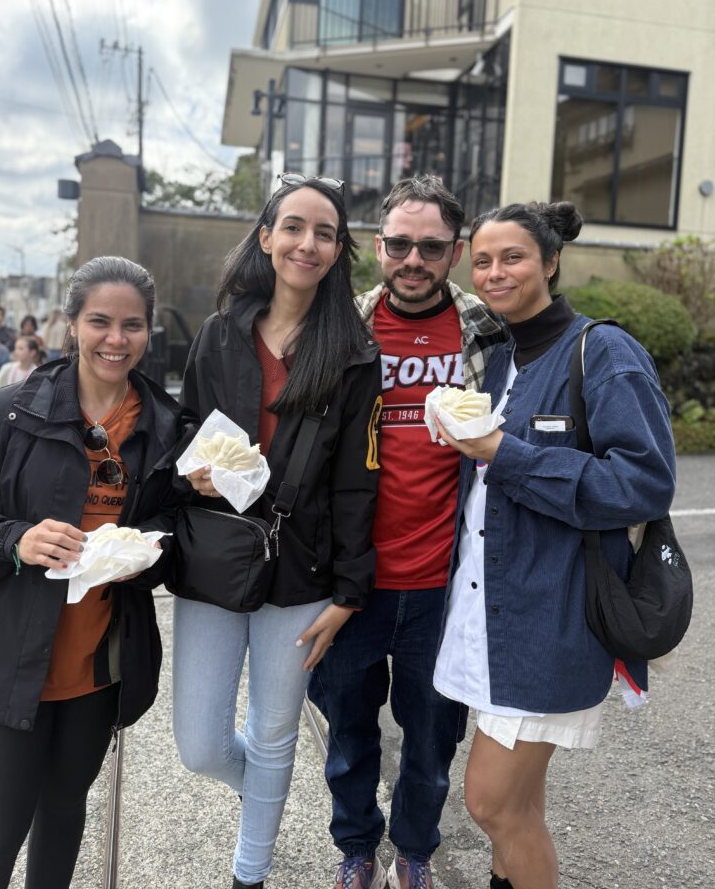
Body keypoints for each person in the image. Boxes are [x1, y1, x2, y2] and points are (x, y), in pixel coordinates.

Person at [432, 202, 676, 889]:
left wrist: (502, 454)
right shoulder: (503, 360)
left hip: (554, 621)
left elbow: (644, 484)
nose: (495, 271)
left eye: (512, 257)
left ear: (550, 260)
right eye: (482, 260)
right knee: (517, 805)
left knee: (488, 800)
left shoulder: (603, 352)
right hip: (490, 617)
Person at [172, 173, 382, 889]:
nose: (308, 243)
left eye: (325, 232)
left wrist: (352, 591)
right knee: (200, 744)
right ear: (266, 238)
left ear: (337, 250)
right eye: (294, 227)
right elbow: (186, 439)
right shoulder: (219, 335)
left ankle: (249, 870)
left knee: (273, 733)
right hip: (216, 558)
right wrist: (187, 476)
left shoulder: (353, 353)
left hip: (303, 569)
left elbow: (358, 481)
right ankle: (262, 791)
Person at [0, 256, 182, 889]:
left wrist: (155, 546)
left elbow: (172, 534)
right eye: (100, 321)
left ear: (149, 332)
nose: (115, 339)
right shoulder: (9, 413)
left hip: (97, 673)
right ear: (71, 323)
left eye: (132, 325)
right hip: (4, 665)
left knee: (63, 820)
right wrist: (14, 538)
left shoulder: (163, 431)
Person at [308, 175, 508, 889]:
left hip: (443, 586)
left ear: (454, 251)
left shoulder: (489, 329)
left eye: (430, 247)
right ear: (377, 246)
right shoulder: (342, 326)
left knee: (431, 741)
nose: (413, 260)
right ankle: (357, 846)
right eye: (399, 244)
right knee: (349, 733)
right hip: (352, 581)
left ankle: (414, 852)